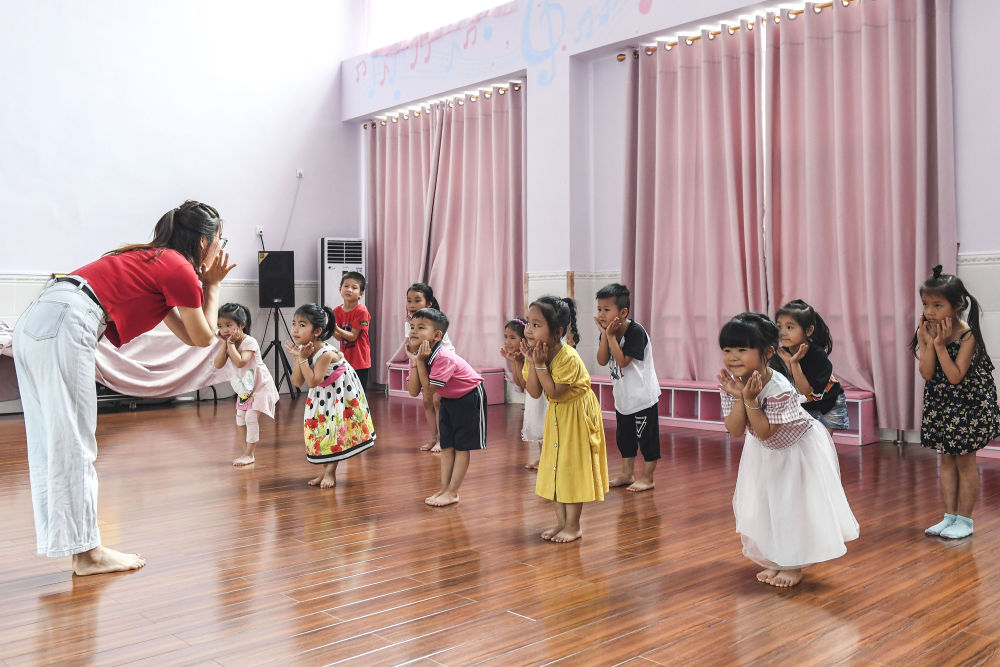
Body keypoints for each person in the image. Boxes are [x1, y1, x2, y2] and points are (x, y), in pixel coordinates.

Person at [13, 200, 235, 575]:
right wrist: (212, 284)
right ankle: (88, 554)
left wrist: (205, 285)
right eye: (220, 240)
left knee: (51, 442)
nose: (221, 248)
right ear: (204, 243)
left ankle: (76, 548)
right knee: (74, 441)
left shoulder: (153, 260)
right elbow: (203, 336)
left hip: (40, 316)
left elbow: (189, 335)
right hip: (67, 319)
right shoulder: (178, 266)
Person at [717, 312, 858, 588]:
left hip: (796, 451)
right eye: (727, 350)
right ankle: (776, 557)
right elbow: (735, 429)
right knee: (767, 505)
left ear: (767, 352)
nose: (733, 357)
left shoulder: (779, 387)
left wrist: (749, 398)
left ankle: (793, 563)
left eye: (742, 350)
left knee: (791, 506)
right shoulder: (733, 381)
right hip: (764, 452)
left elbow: (766, 431)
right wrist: (739, 397)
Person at [911, 265, 1000, 539]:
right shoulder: (927, 328)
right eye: (926, 304)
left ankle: (965, 520)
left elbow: (954, 376)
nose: (930, 311)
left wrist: (938, 345)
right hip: (942, 402)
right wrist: (928, 342)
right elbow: (927, 373)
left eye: (938, 305)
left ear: (957, 306)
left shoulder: (966, 335)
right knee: (947, 460)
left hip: (968, 405)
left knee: (964, 461)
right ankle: (949, 517)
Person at [523, 296, 609, 544]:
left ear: (558, 331)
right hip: (558, 415)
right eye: (528, 322)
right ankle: (561, 523)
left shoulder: (568, 357)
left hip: (577, 416)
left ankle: (573, 526)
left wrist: (539, 364)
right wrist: (532, 362)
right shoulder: (537, 354)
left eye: (536, 324)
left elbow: (553, 392)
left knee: (571, 470)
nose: (528, 329)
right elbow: (534, 392)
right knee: (556, 468)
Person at [286, 303, 375, 489]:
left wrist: (302, 359)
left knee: (333, 427)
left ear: (317, 331)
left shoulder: (325, 353)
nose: (295, 329)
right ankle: (324, 471)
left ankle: (330, 472)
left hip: (340, 392)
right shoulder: (303, 349)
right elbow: (297, 382)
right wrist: (297, 358)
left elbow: (312, 381)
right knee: (321, 428)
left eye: (302, 325)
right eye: (294, 323)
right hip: (322, 392)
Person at [407, 307, 485, 507]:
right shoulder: (419, 354)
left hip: (469, 396)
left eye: (421, 327)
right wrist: (416, 362)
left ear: (437, 335)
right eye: (412, 327)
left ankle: (452, 492)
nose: (413, 331)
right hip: (449, 398)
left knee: (461, 447)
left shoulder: (443, 357)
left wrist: (420, 362)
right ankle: (444, 489)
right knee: (447, 445)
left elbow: (428, 391)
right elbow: (413, 391)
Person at [595, 283, 661, 492]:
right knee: (625, 439)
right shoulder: (608, 332)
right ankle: (627, 474)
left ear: (623, 312)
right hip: (623, 398)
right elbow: (602, 360)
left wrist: (610, 337)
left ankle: (648, 478)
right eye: (599, 309)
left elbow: (623, 361)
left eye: (607, 309)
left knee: (647, 439)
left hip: (642, 398)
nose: (601, 314)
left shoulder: (635, 331)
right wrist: (605, 336)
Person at [213, 302, 279, 466]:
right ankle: (246, 453)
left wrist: (230, 345)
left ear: (241, 325)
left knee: (250, 417)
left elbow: (241, 362)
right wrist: (225, 344)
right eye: (220, 326)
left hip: (260, 386)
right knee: (240, 419)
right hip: (245, 388)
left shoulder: (250, 342)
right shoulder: (229, 343)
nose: (224, 330)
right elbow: (218, 364)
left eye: (229, 325)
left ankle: (249, 454)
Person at [775, 299, 848, 434]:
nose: (782, 332)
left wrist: (793, 363)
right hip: (805, 404)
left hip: (828, 403)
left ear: (808, 331)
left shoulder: (817, 355)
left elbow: (807, 392)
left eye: (789, 327)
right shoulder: (781, 353)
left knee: (823, 441)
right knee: (806, 441)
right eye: (779, 327)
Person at [402, 283, 455, 453]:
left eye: (417, 300)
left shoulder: (435, 321)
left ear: (429, 303)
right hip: (423, 358)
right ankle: (434, 437)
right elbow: (412, 344)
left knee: (437, 401)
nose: (412, 305)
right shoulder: (410, 322)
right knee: (426, 401)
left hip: (439, 361)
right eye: (409, 300)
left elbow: (440, 347)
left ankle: (442, 439)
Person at [500, 317, 546, 469]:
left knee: (544, 429)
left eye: (512, 338)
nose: (507, 342)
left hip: (541, 398)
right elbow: (519, 383)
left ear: (524, 339)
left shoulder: (531, 356)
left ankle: (547, 460)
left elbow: (525, 384)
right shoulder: (522, 357)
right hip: (533, 398)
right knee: (538, 429)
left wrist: (518, 362)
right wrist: (515, 361)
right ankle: (542, 458)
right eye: (506, 337)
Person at [333, 271, 372, 389]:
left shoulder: (361, 311)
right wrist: (330, 329)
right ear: (340, 289)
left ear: (361, 293)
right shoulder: (336, 311)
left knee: (359, 394)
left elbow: (353, 336)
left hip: (360, 361)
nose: (349, 290)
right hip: (344, 360)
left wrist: (335, 328)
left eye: (354, 288)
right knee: (346, 393)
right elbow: (339, 337)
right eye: (346, 286)